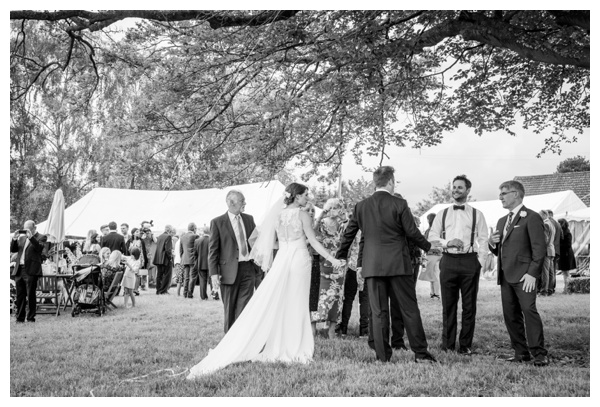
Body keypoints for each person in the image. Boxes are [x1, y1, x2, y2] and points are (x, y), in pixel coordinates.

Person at [186, 183, 344, 378]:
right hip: (298, 260)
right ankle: (295, 345)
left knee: (281, 302)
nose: (307, 198)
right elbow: (312, 240)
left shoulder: (278, 216)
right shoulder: (302, 215)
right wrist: (332, 259)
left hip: (282, 259)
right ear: (296, 196)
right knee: (296, 303)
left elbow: (270, 241)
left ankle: (276, 343)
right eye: (305, 195)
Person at [336, 166, 436, 363]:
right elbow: (412, 232)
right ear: (391, 182)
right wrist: (428, 246)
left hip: (372, 266)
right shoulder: (400, 203)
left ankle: (382, 356)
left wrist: (341, 256)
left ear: (375, 182)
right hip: (398, 264)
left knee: (378, 311)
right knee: (409, 309)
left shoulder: (361, 206)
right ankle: (421, 354)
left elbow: (348, 234)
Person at [488, 180, 548, 367]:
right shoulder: (501, 221)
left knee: (529, 312)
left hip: (525, 277)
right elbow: (500, 251)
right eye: (500, 193)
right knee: (510, 315)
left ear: (516, 194)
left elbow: (539, 249)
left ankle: (539, 353)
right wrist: (492, 243)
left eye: (504, 193)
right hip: (506, 276)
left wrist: (532, 274)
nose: (500, 197)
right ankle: (520, 352)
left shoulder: (531, 217)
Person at [428, 175, 489, 355]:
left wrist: (480, 262)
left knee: (469, 306)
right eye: (454, 187)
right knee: (448, 305)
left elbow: (483, 239)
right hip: (448, 261)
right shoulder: (442, 213)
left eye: (459, 187)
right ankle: (447, 345)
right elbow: (432, 237)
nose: (455, 190)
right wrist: (447, 242)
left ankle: (465, 345)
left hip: (470, 261)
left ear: (467, 191)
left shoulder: (477, 214)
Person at [209, 190, 260, 333]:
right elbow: (213, 251)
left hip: (248, 269)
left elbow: (256, 244)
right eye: (242, 201)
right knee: (230, 310)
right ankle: (229, 344)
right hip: (228, 273)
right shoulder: (217, 222)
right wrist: (214, 274)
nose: (245, 203)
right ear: (231, 203)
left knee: (244, 308)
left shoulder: (249, 219)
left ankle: (241, 341)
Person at [313, 197, 348, 339]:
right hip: (322, 265)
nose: (336, 210)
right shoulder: (320, 224)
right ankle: (314, 328)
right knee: (319, 298)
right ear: (328, 209)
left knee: (336, 298)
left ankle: (332, 329)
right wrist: (321, 214)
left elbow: (348, 244)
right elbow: (312, 233)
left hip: (338, 267)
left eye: (338, 207)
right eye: (333, 207)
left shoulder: (342, 226)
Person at [11, 220, 48, 323]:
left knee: (30, 294)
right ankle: (20, 318)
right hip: (19, 268)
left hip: (31, 269)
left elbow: (39, 248)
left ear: (34, 228)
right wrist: (14, 238)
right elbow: (13, 249)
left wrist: (31, 237)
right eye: (25, 228)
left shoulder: (41, 237)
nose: (26, 231)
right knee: (20, 295)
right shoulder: (21, 238)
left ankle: (31, 318)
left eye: (29, 228)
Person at [336, 228, 369, 338]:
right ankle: (364, 330)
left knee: (349, 298)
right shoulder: (371, 226)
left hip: (353, 266)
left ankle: (343, 328)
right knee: (364, 300)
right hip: (366, 267)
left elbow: (347, 246)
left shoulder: (353, 227)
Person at [301, 202, 322, 336]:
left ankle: (312, 327)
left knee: (313, 296)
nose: (311, 213)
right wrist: (311, 241)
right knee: (302, 295)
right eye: (308, 210)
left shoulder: (317, 228)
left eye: (313, 211)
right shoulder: (299, 225)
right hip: (301, 263)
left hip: (315, 263)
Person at [418, 213, 443, 299]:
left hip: (434, 254)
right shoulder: (430, 230)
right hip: (430, 254)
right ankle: (433, 292)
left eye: (428, 219)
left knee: (434, 273)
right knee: (431, 273)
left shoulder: (435, 230)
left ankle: (436, 293)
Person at [538, 210, 556, 297]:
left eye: (539, 215)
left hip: (546, 250)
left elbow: (545, 239)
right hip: (551, 250)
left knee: (545, 272)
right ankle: (550, 289)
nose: (538, 217)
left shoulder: (545, 224)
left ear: (544, 215)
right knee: (550, 272)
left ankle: (544, 291)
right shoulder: (551, 223)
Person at [193, 226, 213, 300]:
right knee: (212, 281)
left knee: (202, 281)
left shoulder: (197, 241)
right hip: (211, 263)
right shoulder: (212, 240)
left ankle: (203, 296)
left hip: (201, 263)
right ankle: (215, 295)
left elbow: (195, 254)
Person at [557, 218, 577, 293]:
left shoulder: (567, 232)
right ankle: (566, 288)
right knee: (564, 272)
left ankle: (567, 288)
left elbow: (568, 244)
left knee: (566, 273)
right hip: (564, 254)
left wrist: (559, 245)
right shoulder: (563, 231)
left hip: (566, 254)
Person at [153, 225, 174, 295]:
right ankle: (163, 290)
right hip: (165, 259)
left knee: (159, 275)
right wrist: (171, 257)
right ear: (170, 230)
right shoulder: (168, 237)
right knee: (167, 275)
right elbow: (168, 250)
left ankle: (158, 290)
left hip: (158, 258)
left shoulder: (160, 236)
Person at [180, 222, 198, 298]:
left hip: (185, 259)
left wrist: (182, 257)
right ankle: (190, 293)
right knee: (192, 277)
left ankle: (184, 293)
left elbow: (181, 250)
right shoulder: (195, 236)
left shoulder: (182, 237)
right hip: (193, 259)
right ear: (194, 228)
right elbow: (197, 248)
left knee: (186, 277)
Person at [547, 210, 562, 295]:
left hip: (550, 249)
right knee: (552, 271)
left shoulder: (550, 223)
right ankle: (552, 288)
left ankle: (550, 288)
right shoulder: (557, 224)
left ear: (549, 214)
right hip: (556, 249)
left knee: (549, 271)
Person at [140, 221, 157, 288]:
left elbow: (156, 241)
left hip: (149, 251)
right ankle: (145, 282)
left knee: (151, 266)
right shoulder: (141, 233)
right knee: (145, 266)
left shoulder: (151, 234)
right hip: (144, 251)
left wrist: (152, 234)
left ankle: (152, 281)